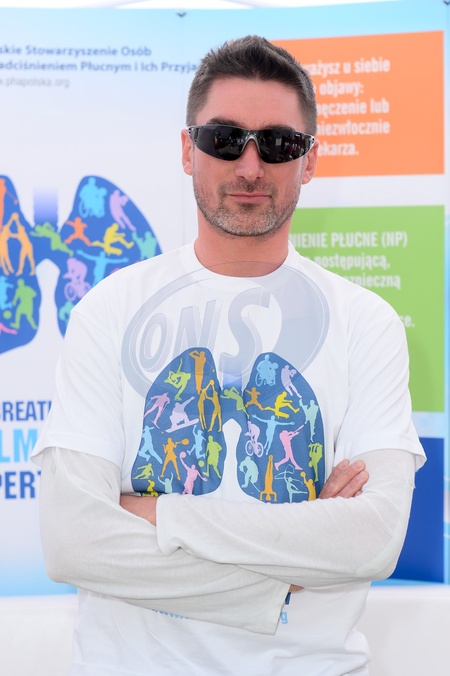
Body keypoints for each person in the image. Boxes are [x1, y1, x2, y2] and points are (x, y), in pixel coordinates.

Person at [32, 36, 425, 675]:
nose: (249, 166)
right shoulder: (108, 310)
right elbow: (73, 543)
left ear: (309, 160)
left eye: (278, 144)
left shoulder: (366, 323)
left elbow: (372, 540)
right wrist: (284, 574)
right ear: (189, 150)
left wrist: (155, 513)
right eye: (224, 139)